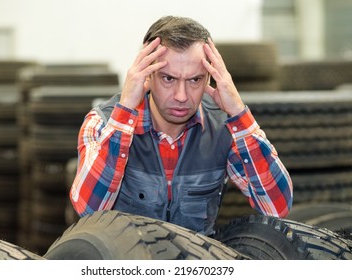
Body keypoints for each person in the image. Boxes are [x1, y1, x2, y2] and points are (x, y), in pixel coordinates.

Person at [70, 16, 293, 236]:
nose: (181, 96)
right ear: (147, 75)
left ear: (209, 78)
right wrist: (125, 111)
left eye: (194, 80)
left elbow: (276, 207)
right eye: (168, 78)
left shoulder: (224, 126)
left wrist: (238, 113)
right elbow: (89, 210)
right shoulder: (102, 123)